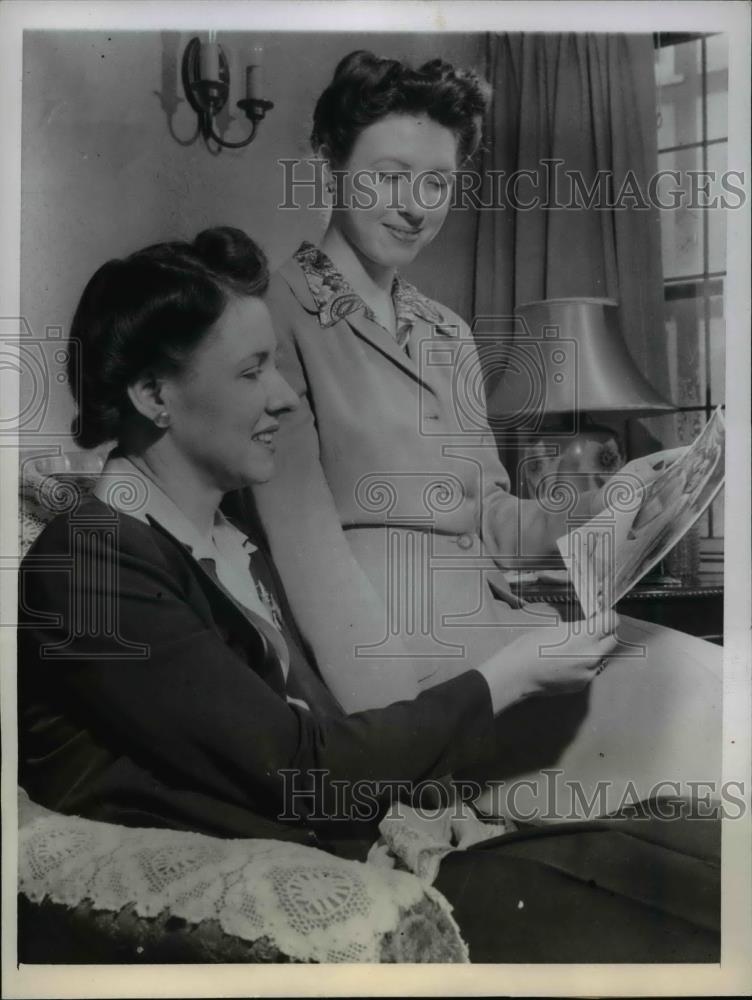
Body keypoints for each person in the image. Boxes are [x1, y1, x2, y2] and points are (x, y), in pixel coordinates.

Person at [18, 229, 719, 962]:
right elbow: (301, 769)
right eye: (254, 371)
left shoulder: (222, 545)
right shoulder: (92, 565)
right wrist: (507, 678)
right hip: (319, 893)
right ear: (154, 394)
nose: (287, 399)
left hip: (375, 848)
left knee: (695, 846)